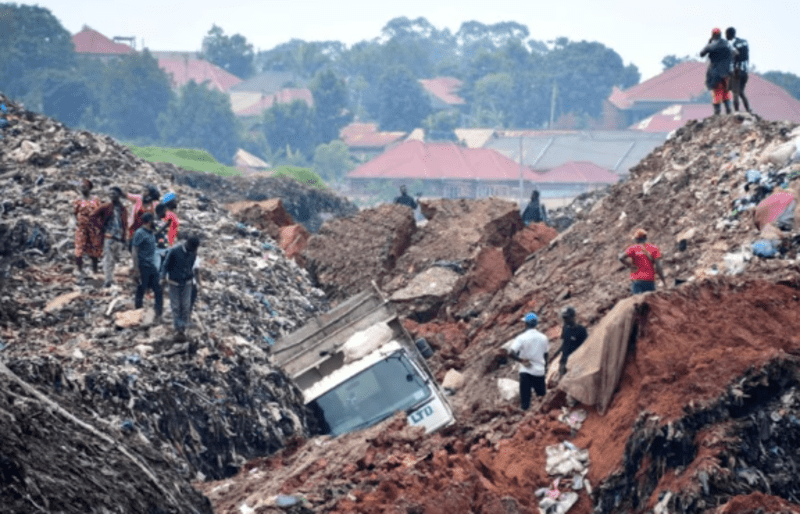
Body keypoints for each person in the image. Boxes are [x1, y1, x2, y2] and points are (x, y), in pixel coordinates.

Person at [506, 312, 549, 410]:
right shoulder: (544, 337)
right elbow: (546, 354)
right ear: (536, 324)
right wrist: (545, 368)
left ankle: (527, 418)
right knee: (541, 398)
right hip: (539, 371)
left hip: (526, 371)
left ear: (525, 324)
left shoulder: (521, 338)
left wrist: (521, 360)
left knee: (525, 403)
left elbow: (510, 353)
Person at [162, 235, 201, 340]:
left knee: (186, 305)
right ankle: (178, 329)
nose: (194, 250)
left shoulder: (193, 251)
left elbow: (193, 267)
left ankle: (183, 328)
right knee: (176, 306)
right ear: (187, 244)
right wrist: (162, 277)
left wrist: (196, 282)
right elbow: (166, 265)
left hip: (187, 282)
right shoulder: (175, 251)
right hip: (174, 282)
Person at [93, 186, 129, 288]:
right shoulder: (106, 206)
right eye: (110, 193)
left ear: (119, 195)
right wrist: (102, 228)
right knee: (108, 259)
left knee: (114, 259)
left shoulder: (122, 209)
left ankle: (110, 278)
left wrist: (124, 238)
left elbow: (124, 224)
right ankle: (108, 281)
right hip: (108, 237)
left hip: (118, 238)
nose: (112, 195)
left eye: (114, 193)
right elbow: (93, 216)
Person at [131, 213, 163, 322]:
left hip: (151, 266)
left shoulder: (150, 233)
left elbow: (157, 231)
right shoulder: (140, 233)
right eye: (153, 220)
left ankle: (158, 314)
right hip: (143, 266)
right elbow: (135, 251)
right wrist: (136, 269)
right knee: (141, 290)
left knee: (158, 290)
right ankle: (138, 314)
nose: (155, 222)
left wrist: (166, 225)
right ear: (149, 221)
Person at [619, 228, 666, 295]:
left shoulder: (632, 248)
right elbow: (659, 267)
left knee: (637, 303)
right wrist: (663, 281)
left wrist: (630, 266)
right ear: (646, 238)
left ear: (636, 239)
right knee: (651, 303)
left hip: (637, 280)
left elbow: (621, 257)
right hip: (649, 280)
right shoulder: (654, 248)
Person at [700, 28, 736, 115]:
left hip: (715, 72)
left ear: (713, 35)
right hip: (727, 72)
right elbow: (735, 53)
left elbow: (702, 54)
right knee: (726, 90)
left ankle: (717, 111)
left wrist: (709, 43)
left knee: (717, 91)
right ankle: (728, 109)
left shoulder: (711, 45)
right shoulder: (727, 44)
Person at [73, 179, 103, 282]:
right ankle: (80, 270)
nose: (82, 188)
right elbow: (74, 213)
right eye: (81, 186)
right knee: (79, 247)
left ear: (90, 188)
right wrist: (75, 222)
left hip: (93, 227)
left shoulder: (95, 200)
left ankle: (95, 271)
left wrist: (100, 225)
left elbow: (100, 212)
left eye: (85, 186)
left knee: (94, 248)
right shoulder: (78, 201)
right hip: (81, 227)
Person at [725, 27, 751, 113]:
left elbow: (733, 58)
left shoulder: (732, 45)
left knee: (735, 92)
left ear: (729, 34)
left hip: (737, 71)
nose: (725, 36)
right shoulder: (744, 42)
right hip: (745, 71)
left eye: (726, 34)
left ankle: (736, 112)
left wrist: (731, 71)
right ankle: (748, 110)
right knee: (741, 92)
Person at [558, 306, 588, 377]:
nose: (565, 320)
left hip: (575, 362)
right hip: (564, 361)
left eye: (566, 318)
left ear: (572, 317)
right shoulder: (565, 328)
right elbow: (564, 343)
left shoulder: (581, 330)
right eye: (564, 318)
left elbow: (586, 346)